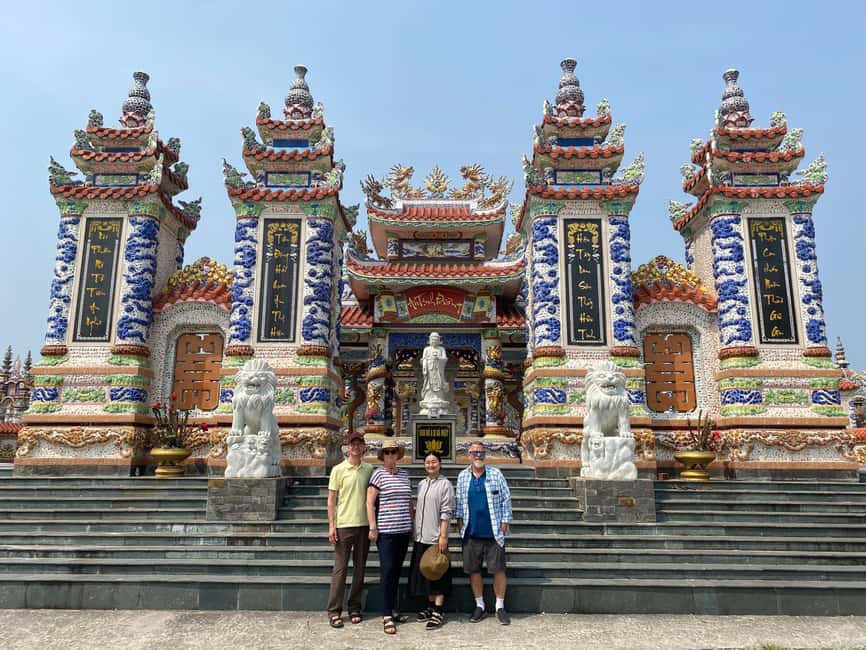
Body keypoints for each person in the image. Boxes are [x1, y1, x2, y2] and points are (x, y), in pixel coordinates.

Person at [455, 441, 513, 625]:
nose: (478, 456)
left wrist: (505, 522)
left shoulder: (496, 474)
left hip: (494, 531)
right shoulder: (463, 476)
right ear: (469, 455)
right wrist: (459, 522)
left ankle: (499, 606)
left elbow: (506, 499)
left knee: (498, 569)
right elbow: (459, 502)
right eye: (475, 453)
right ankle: (480, 605)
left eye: (481, 453)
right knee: (474, 570)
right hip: (471, 531)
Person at [326, 431, 374, 629]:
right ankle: (334, 610)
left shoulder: (369, 469)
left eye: (359, 444)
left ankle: (354, 606)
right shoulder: (338, 469)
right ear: (348, 447)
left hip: (363, 524)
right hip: (344, 524)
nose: (356, 447)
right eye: (353, 444)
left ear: (363, 447)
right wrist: (331, 525)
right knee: (340, 569)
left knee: (360, 568)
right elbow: (331, 500)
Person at [367, 438, 413, 635]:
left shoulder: (404, 475)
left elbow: (409, 501)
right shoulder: (378, 475)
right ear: (382, 456)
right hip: (386, 531)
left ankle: (392, 609)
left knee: (395, 571)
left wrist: (412, 524)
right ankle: (386, 614)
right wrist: (373, 527)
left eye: (394, 452)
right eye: (387, 452)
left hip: (403, 530)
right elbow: (370, 502)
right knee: (387, 571)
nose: (391, 455)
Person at [408, 451, 455, 630]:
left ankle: (438, 609)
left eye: (434, 462)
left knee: (438, 574)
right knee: (425, 574)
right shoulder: (421, 484)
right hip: (421, 536)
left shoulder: (445, 485)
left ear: (440, 464)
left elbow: (446, 512)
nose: (430, 465)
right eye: (427, 462)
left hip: (436, 537)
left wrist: (443, 536)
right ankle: (429, 607)